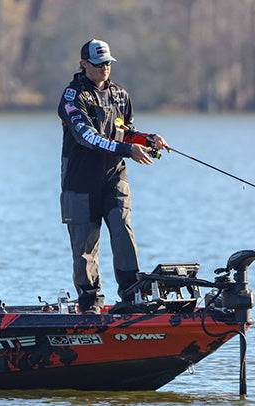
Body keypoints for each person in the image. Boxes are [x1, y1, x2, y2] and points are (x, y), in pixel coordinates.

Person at [57, 39, 169, 314]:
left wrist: (148, 139)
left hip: (114, 178)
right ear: (84, 65)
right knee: (85, 248)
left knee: (122, 231)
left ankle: (131, 297)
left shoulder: (120, 95)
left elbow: (125, 131)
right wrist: (127, 149)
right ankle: (90, 305)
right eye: (98, 64)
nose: (105, 68)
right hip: (80, 183)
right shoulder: (72, 98)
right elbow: (88, 138)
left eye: (108, 63)